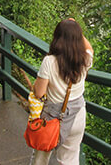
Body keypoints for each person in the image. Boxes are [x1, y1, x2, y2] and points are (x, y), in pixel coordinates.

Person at [30, 19, 94, 165]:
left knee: (40, 158)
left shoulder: (49, 61)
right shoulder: (84, 59)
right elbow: (90, 48)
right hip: (77, 114)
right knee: (69, 159)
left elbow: (39, 93)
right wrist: (76, 31)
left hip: (52, 117)